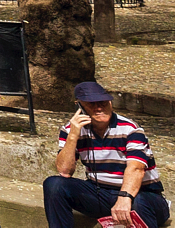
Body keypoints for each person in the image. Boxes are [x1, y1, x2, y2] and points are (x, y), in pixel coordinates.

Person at [42, 81, 167, 228]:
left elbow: (136, 169)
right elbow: (64, 171)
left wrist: (125, 197)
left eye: (103, 102)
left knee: (138, 202)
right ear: (79, 106)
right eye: (92, 104)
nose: (99, 108)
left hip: (143, 196)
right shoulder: (70, 130)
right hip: (101, 193)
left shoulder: (130, 129)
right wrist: (73, 137)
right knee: (54, 185)